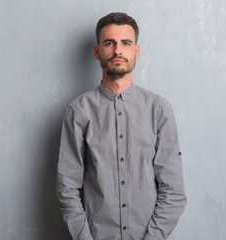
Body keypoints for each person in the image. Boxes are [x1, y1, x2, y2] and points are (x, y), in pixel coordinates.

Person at [56, 12, 187, 240]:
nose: (118, 50)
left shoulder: (159, 110)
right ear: (97, 51)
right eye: (109, 43)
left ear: (136, 52)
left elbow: (173, 192)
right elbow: (67, 189)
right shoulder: (78, 112)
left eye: (126, 43)